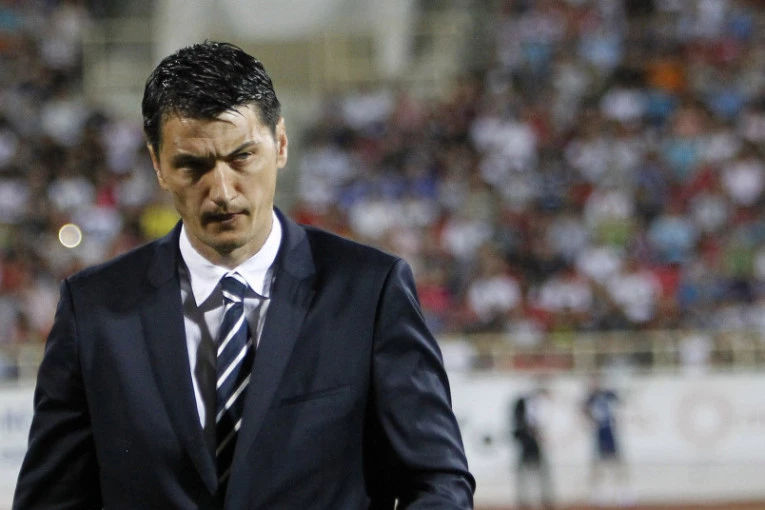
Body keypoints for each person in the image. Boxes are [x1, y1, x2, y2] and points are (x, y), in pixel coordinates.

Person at [13, 41, 475, 509]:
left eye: (242, 157)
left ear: (281, 144)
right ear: (158, 166)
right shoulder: (93, 309)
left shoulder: (369, 291)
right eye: (192, 165)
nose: (222, 190)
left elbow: (437, 482)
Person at [582, 374, 628, 507]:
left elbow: (620, 401)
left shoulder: (608, 394)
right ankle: (599, 492)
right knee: (598, 464)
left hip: (609, 431)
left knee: (617, 462)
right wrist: (590, 419)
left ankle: (622, 491)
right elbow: (583, 409)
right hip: (599, 433)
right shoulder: (590, 397)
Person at [510, 385, 553, 510]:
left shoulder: (536, 406)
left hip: (535, 443)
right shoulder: (521, 405)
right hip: (525, 443)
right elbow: (519, 424)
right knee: (524, 473)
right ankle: (524, 501)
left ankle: (544, 499)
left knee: (542, 472)